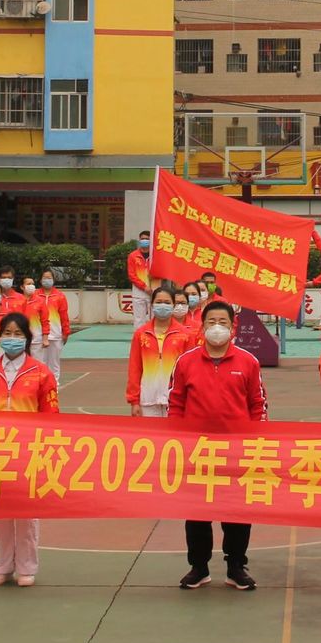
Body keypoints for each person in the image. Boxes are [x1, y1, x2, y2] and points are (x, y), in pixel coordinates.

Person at [168, 299, 266, 590]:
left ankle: (236, 566)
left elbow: (258, 404)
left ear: (233, 327)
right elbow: (176, 402)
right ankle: (199, 567)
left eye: (223, 322)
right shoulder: (186, 362)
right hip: (197, 450)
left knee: (237, 511)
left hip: (236, 451)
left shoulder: (248, 361)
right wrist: (177, 440)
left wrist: (255, 442)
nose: (217, 328)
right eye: (211, 322)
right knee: (197, 512)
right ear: (202, 326)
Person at [0, 312, 60, 586]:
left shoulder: (41, 373)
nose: (12, 338)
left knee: (26, 511)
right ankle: (3, 564)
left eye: (18, 334)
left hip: (28, 450)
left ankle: (26, 566)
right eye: (7, 334)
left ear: (27, 339)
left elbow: (51, 414)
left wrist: (46, 448)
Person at [128, 288, 193, 416]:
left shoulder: (185, 335)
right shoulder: (141, 334)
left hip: (176, 400)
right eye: (159, 302)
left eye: (167, 302)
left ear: (173, 305)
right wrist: (134, 400)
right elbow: (135, 368)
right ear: (152, 305)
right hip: (148, 399)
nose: (163, 305)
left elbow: (191, 369)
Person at [33, 268, 71, 375]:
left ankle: (55, 384)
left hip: (55, 335)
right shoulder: (35, 295)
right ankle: (40, 384)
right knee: (39, 363)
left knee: (54, 364)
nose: (47, 280)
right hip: (38, 335)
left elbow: (64, 315)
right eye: (45, 278)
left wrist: (66, 332)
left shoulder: (60, 296)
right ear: (40, 280)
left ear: (53, 280)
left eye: (49, 278)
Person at [127, 232, 154, 326]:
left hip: (153, 291)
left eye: (147, 239)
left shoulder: (155, 255)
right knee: (139, 319)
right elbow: (131, 275)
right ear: (139, 240)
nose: (144, 240)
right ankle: (139, 335)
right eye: (142, 239)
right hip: (139, 292)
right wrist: (144, 287)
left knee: (154, 318)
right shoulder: (133, 256)